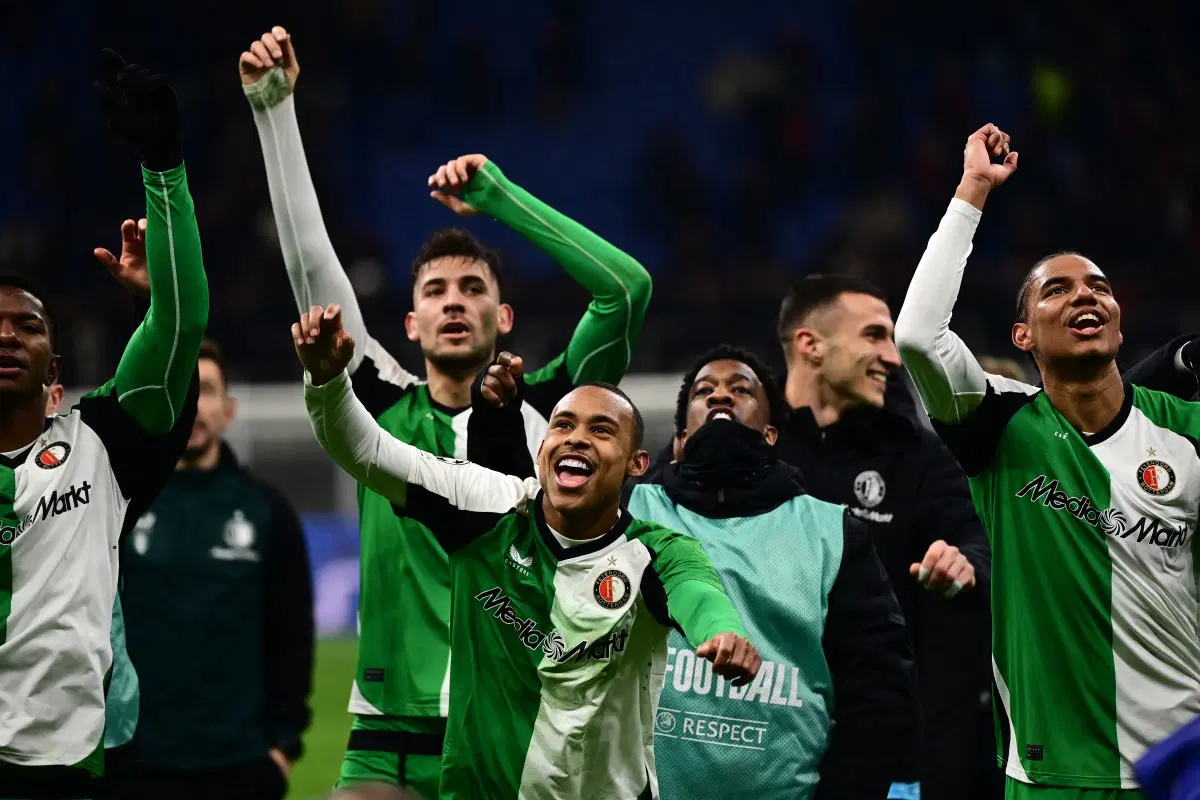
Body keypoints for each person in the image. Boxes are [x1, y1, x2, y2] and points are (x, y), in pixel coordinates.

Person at [240, 26, 653, 798]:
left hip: (515, 741)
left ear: (504, 318)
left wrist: (501, 200)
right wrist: (275, 110)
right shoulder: (377, 400)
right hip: (385, 749)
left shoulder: (554, 412)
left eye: (473, 290)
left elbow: (625, 289)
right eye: (435, 292)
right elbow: (306, 261)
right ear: (409, 324)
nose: (454, 302)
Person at [294, 303, 758, 800]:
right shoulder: (486, 506)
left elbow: (698, 592)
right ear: (541, 450)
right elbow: (365, 449)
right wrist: (325, 380)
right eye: (563, 426)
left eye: (602, 431)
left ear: (636, 463)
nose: (576, 438)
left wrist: (722, 631)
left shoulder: (655, 551)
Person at [895, 122, 1200, 799]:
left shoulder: (1189, 432)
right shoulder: (1001, 426)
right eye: (1056, 290)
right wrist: (973, 189)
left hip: (1184, 766)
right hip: (1047, 773)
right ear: (1022, 334)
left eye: (1098, 286)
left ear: (1119, 319)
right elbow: (916, 334)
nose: (1085, 294)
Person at [474, 344, 916, 799]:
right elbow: (519, 525)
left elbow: (879, 689)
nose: (720, 395)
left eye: (740, 389)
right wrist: (496, 420)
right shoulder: (621, 513)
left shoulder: (833, 532)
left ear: (769, 433)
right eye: (704, 390)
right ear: (681, 437)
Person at [0, 50, 208, 798]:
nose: (6, 336)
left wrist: (164, 167)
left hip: (74, 765)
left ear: (55, 367)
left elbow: (182, 327)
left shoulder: (99, 444)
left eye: (26, 326)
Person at [771, 273, 995, 799]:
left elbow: (981, 546)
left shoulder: (918, 457)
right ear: (811, 345)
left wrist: (966, 564)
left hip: (875, 754)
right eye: (874, 336)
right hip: (759, 735)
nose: (893, 357)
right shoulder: (750, 447)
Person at [89, 334, 313, 800]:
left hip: (241, 764)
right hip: (137, 761)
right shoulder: (119, 504)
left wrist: (283, 744)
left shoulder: (266, 509)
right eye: (183, 392)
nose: (193, 405)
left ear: (228, 410)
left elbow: (292, 633)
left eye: (206, 390)